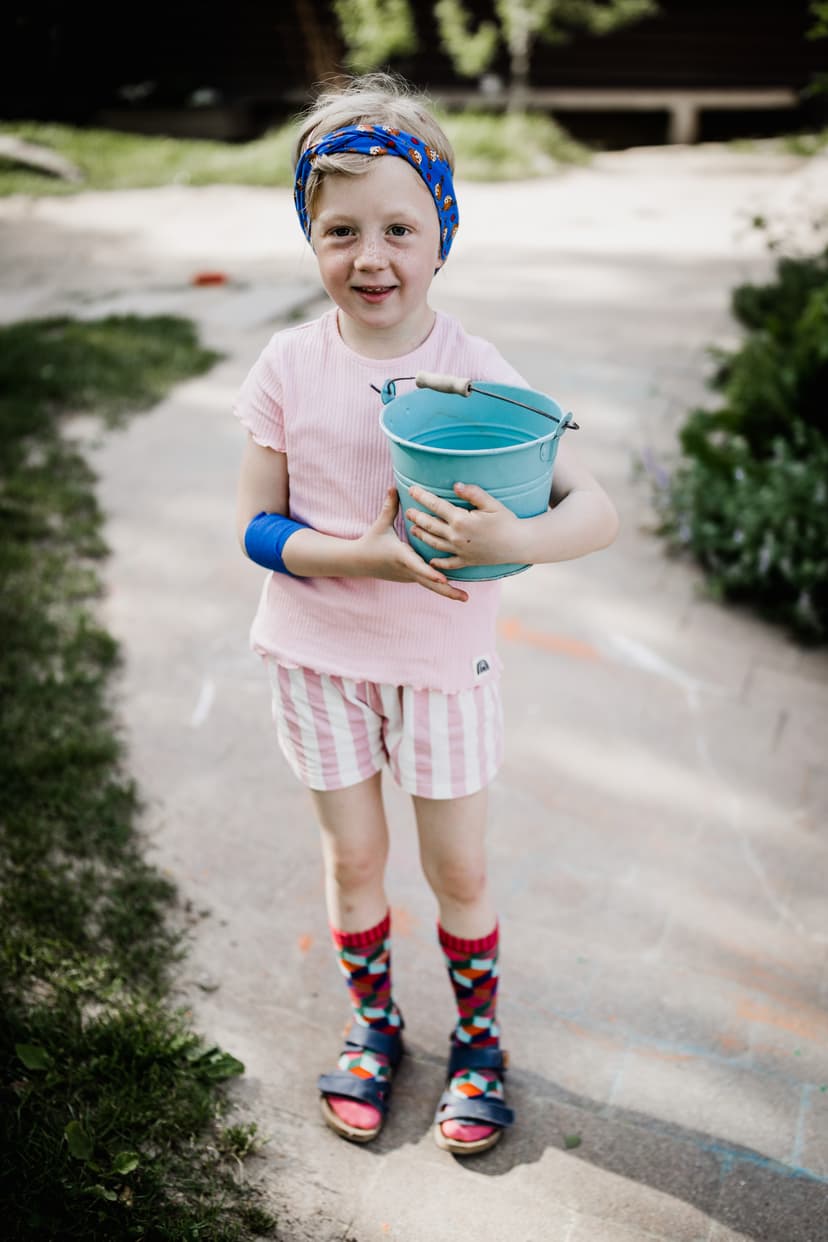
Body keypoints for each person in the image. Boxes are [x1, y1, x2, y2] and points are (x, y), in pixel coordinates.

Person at [233, 71, 618, 1155]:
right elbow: (257, 530)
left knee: (459, 870)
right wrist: (361, 556)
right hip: (316, 658)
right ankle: (375, 1026)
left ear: (443, 236)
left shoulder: (475, 375)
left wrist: (515, 543)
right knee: (354, 860)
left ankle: (478, 1044)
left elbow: (595, 509)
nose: (372, 257)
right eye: (341, 230)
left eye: (400, 228)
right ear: (311, 238)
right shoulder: (288, 366)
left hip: (442, 668)